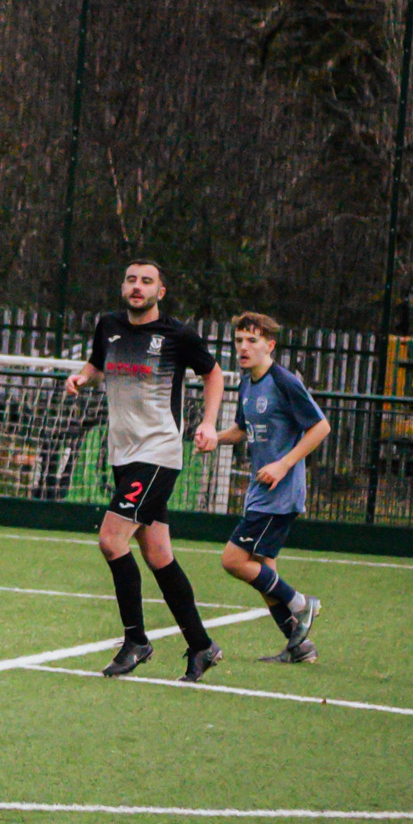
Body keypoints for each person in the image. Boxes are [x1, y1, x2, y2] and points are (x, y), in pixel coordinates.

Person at [63, 259, 228, 681]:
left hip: (157, 453)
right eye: (132, 280)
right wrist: (81, 377)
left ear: (161, 291)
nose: (138, 287)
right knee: (157, 554)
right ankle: (202, 646)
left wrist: (209, 423)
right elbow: (97, 365)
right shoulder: (109, 326)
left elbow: (214, 374)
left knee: (110, 539)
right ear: (123, 287)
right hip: (122, 454)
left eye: (147, 281)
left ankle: (136, 640)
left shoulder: (177, 335)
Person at [215, 312, 330, 662]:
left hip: (279, 494)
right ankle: (298, 646)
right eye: (239, 340)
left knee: (234, 560)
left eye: (252, 340)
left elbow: (320, 427)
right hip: (260, 491)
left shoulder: (283, 381)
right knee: (264, 571)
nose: (243, 347)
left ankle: (301, 603)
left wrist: (283, 464)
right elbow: (241, 430)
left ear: (270, 345)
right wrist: (213, 438)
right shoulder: (246, 383)